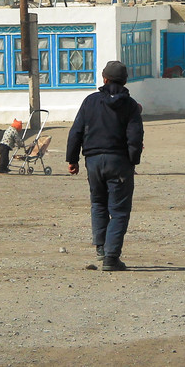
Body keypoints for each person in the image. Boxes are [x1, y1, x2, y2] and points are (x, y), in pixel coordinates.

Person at [66, 61, 144, 272]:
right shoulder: (130, 105)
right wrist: (133, 160)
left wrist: (72, 159)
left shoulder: (90, 101)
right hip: (118, 161)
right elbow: (135, 136)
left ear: (104, 79)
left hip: (92, 161)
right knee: (119, 210)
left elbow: (76, 132)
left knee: (98, 203)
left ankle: (101, 247)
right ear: (125, 81)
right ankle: (111, 257)